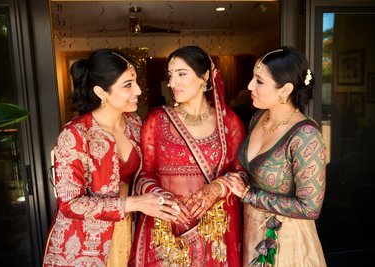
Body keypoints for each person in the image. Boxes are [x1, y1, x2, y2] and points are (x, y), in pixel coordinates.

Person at [43, 48, 179, 267]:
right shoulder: (76, 134)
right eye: (127, 85)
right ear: (101, 92)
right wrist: (134, 203)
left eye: (135, 81)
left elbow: (148, 171)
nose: (138, 90)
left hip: (128, 230)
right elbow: (69, 204)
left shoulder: (135, 124)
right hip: (85, 242)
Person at [129, 45, 246, 267]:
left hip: (214, 231)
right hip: (168, 228)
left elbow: (242, 177)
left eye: (182, 74)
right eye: (171, 76)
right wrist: (165, 200)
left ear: (205, 77)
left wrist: (216, 189)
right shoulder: (157, 120)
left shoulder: (229, 123)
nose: (173, 83)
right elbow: (143, 175)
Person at [223, 47, 327, 267]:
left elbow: (310, 207)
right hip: (251, 232)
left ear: (285, 89)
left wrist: (249, 195)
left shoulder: (305, 135)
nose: (250, 86)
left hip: (286, 242)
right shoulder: (258, 118)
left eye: (259, 81)